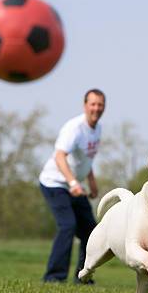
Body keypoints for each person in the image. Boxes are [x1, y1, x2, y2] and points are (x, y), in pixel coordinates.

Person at [39, 89, 105, 283]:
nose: (96, 108)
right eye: (93, 104)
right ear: (85, 106)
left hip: (74, 186)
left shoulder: (98, 129)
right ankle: (54, 278)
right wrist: (73, 183)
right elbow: (60, 156)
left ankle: (83, 278)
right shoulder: (74, 128)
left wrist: (91, 182)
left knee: (91, 231)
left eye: (100, 104)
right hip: (55, 184)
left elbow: (86, 159)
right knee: (68, 226)